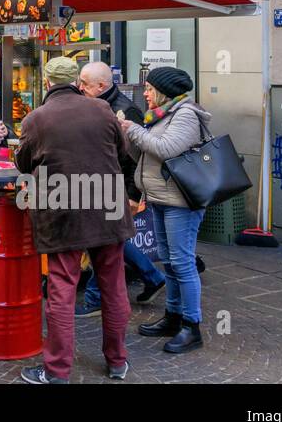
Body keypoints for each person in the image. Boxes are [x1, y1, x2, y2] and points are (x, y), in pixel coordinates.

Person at [15, 56, 135, 384]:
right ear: (77, 83)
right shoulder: (101, 109)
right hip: (108, 203)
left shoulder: (37, 118)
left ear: (48, 81)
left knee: (62, 287)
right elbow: (122, 151)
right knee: (113, 285)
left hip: (64, 206)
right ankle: (117, 361)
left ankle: (56, 370)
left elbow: (24, 162)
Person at [119, 66, 212, 355]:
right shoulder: (160, 115)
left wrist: (132, 129)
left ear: (163, 91)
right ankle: (172, 317)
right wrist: (128, 137)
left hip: (180, 202)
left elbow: (167, 149)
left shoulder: (186, 114)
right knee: (169, 262)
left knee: (182, 263)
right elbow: (146, 154)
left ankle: (191, 326)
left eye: (149, 89)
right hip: (160, 197)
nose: (145, 93)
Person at [76, 62, 166, 314]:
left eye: (85, 83)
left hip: (115, 187)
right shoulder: (93, 103)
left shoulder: (125, 111)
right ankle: (152, 277)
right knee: (112, 240)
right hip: (99, 184)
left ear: (102, 85)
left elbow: (133, 159)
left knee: (103, 241)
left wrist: (131, 195)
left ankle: (95, 299)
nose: (80, 87)